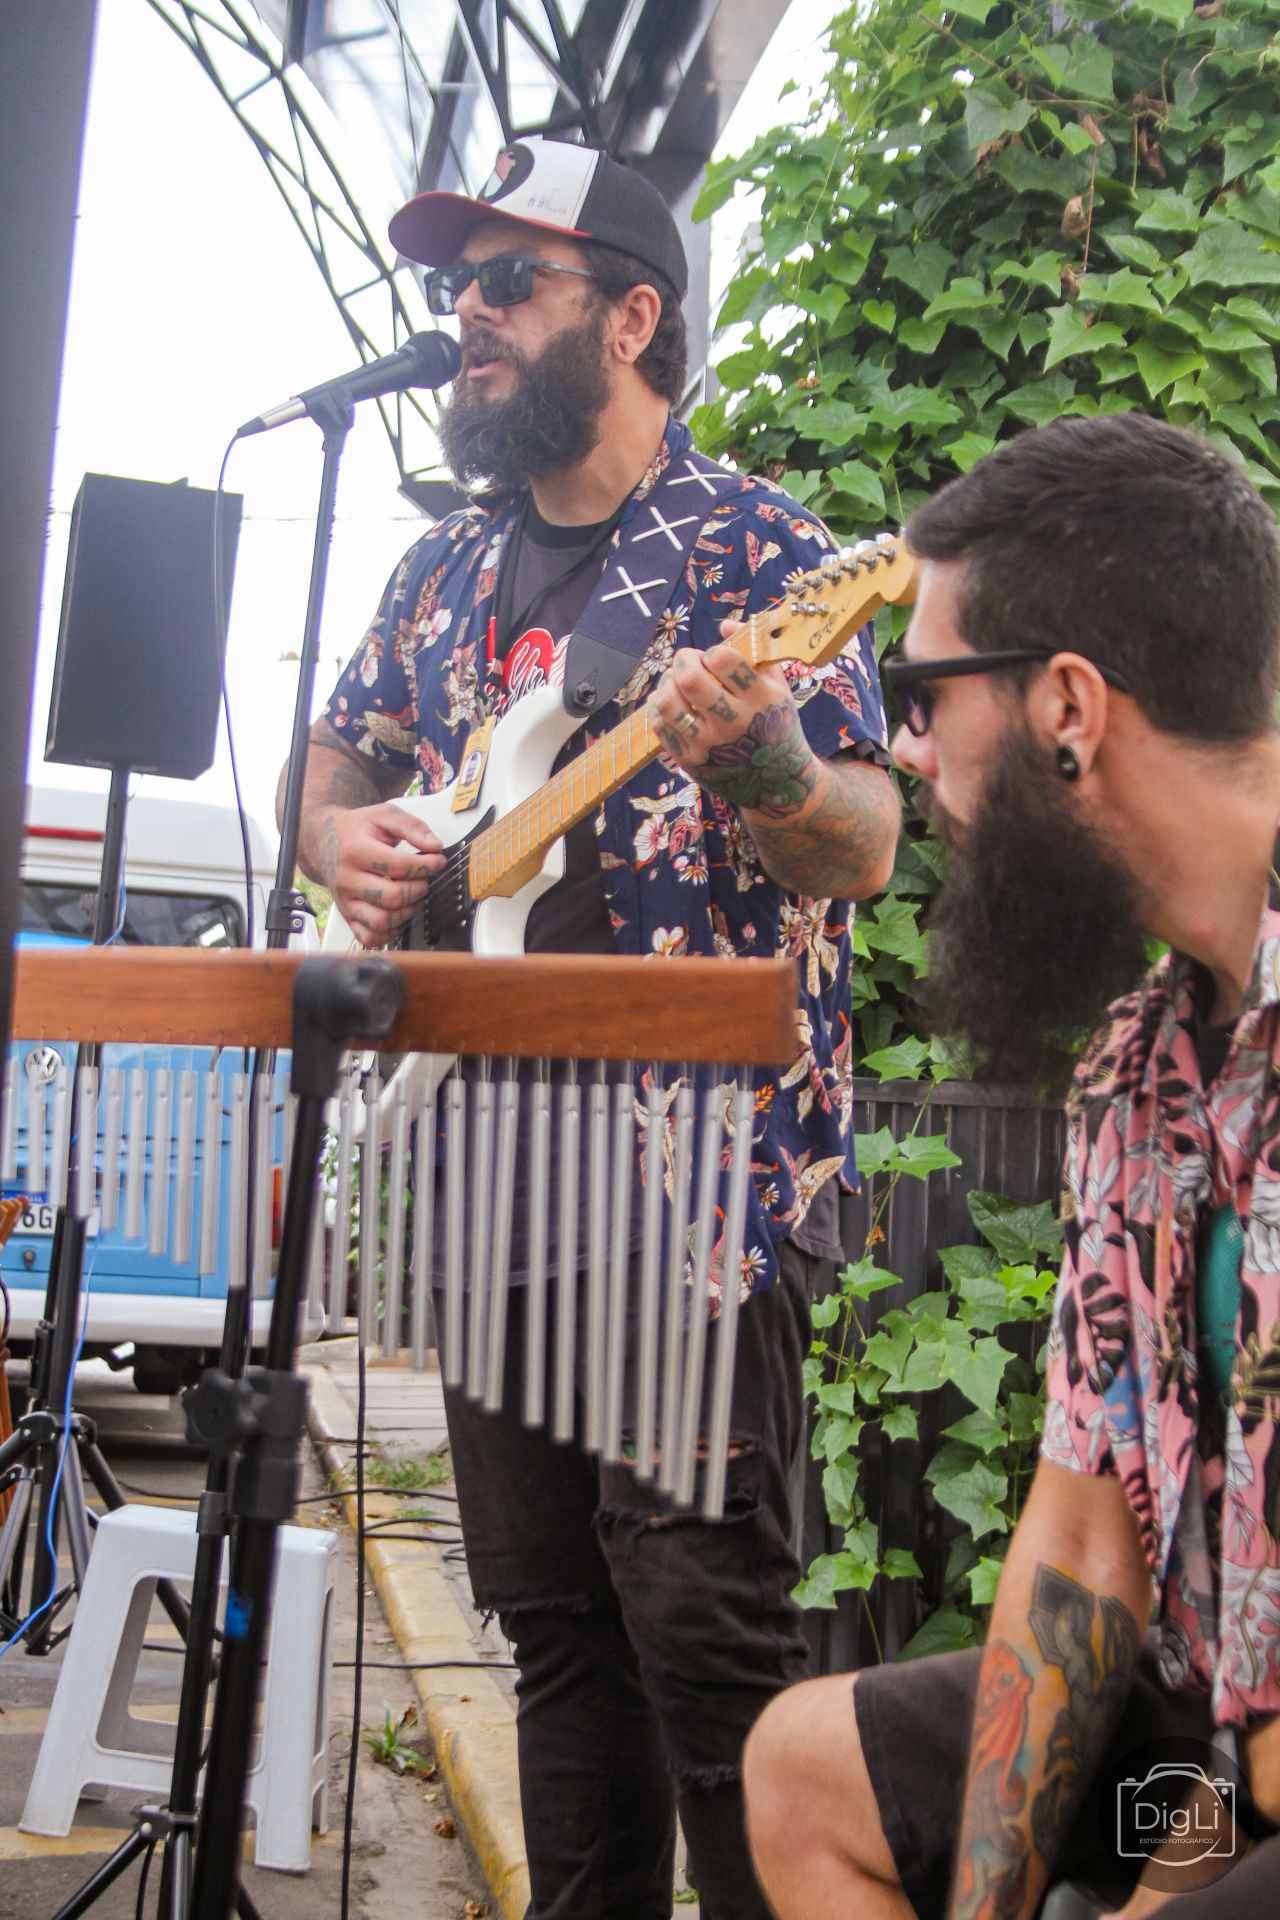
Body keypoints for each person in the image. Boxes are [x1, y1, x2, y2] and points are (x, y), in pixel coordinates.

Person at [280, 136, 899, 1919]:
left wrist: (758, 751)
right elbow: (334, 765)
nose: (462, 318)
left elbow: (857, 843)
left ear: (631, 314)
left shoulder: (762, 553)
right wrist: (345, 841)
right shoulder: (443, 578)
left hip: (689, 1196)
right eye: (451, 287)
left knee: (705, 1644)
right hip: (484, 1177)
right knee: (552, 1634)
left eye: (505, 283)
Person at [741, 410, 1280, 1920]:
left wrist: (1175, 1881)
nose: (902, 752)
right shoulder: (1140, 1065)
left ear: (1066, 705)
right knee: (800, 1771)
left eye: (920, 695)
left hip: (1258, 1761)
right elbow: (1084, 1527)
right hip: (1228, 1732)